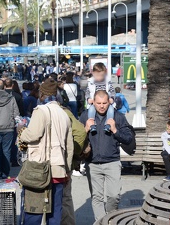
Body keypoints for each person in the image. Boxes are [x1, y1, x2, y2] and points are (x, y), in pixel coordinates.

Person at [19, 78, 74, 224]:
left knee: (33, 212)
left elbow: (33, 134)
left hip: (39, 170)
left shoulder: (41, 111)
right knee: (55, 213)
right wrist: (67, 171)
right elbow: (69, 147)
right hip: (58, 170)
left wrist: (22, 132)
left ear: (42, 94)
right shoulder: (64, 114)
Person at [80, 90, 134, 221]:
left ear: (109, 101)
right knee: (97, 197)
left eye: (104, 103)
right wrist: (85, 129)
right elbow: (75, 139)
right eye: (98, 103)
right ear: (93, 101)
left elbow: (129, 138)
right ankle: (102, 222)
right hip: (92, 163)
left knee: (114, 195)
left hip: (112, 162)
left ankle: (110, 218)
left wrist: (115, 130)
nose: (102, 106)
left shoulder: (117, 116)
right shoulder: (85, 116)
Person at [85, 63, 116, 133]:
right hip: (94, 102)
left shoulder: (107, 82)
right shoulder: (91, 82)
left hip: (106, 102)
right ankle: (92, 124)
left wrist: (112, 98)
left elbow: (113, 92)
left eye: (101, 75)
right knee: (91, 109)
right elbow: (87, 93)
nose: (99, 77)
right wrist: (88, 99)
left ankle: (108, 124)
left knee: (111, 110)